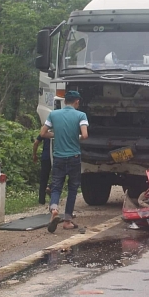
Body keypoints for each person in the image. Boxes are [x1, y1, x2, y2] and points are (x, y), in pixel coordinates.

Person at [40, 90, 89, 232]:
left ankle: (54, 209)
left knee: (56, 186)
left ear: (64, 101)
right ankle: (67, 221)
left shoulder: (53, 114)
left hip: (58, 157)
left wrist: (56, 135)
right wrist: (76, 137)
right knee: (73, 188)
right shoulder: (81, 115)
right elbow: (85, 135)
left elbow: (42, 133)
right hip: (74, 157)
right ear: (77, 102)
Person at [32, 134, 52, 205]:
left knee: (43, 178)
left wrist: (34, 155)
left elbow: (36, 143)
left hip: (45, 157)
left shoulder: (44, 132)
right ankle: (50, 187)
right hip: (56, 156)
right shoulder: (58, 129)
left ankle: (41, 200)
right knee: (59, 175)